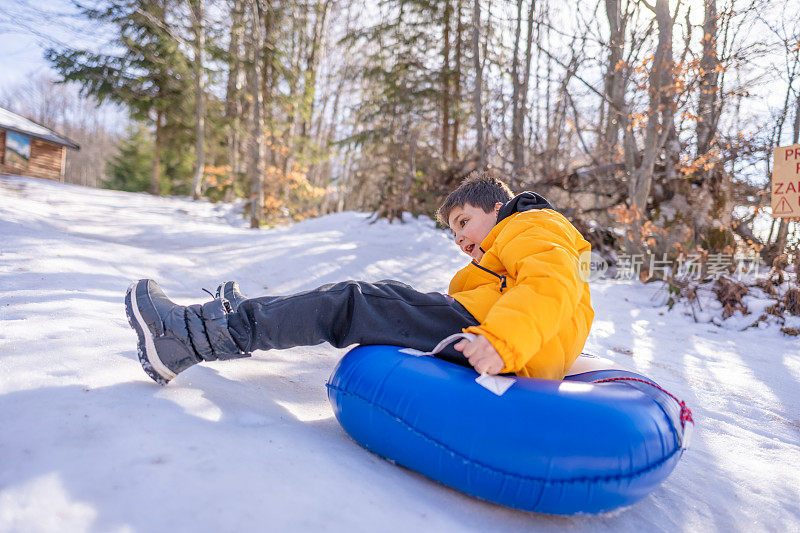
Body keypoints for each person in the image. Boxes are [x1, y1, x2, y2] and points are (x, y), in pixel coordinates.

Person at [125, 171, 594, 385]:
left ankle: (188, 337)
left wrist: (504, 339)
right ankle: (240, 317)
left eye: (463, 222)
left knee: (351, 302)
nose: (459, 239)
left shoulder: (534, 225)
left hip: (494, 340)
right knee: (373, 295)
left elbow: (550, 283)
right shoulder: (504, 250)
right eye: (452, 232)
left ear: (497, 207)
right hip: (485, 328)